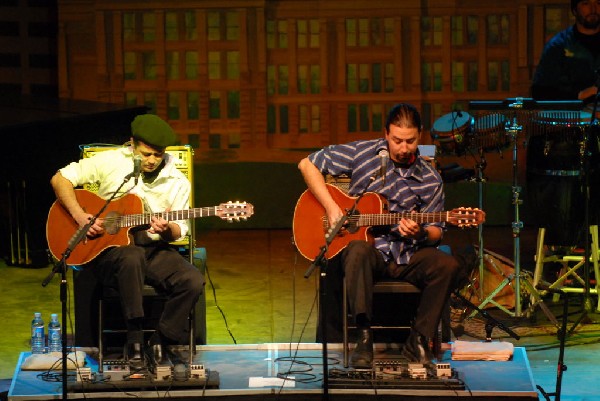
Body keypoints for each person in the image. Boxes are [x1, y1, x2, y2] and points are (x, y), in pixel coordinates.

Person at [298, 103, 480, 369]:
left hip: (409, 254)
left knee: (447, 264)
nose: (404, 148)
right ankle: (363, 336)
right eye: (397, 140)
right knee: (357, 250)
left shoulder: (430, 179)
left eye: (410, 141)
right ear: (386, 134)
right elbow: (307, 164)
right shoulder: (364, 154)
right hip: (371, 253)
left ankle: (418, 340)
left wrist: (419, 232)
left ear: (420, 136)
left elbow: (436, 233)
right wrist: (331, 207)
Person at [50, 114, 204, 369]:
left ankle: (160, 341)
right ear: (132, 144)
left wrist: (166, 229)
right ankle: (134, 339)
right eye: (145, 154)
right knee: (130, 256)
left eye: (158, 154)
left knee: (192, 280)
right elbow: (60, 179)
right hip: (106, 250)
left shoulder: (177, 181)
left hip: (151, 246)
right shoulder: (110, 161)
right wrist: (79, 215)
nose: (152, 160)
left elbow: (180, 229)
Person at [531, 0, 600, 106]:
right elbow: (539, 92)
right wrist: (578, 96)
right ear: (574, 10)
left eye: (598, 3)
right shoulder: (558, 46)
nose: (593, 9)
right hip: (571, 116)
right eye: (586, 3)